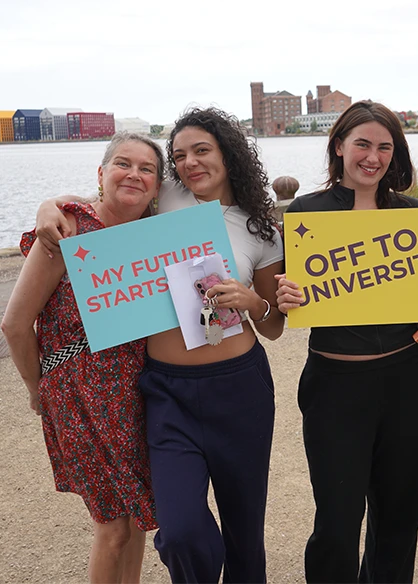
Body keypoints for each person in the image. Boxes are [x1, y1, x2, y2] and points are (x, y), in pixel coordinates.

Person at [35, 108, 285, 583]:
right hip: (166, 390)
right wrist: (52, 204)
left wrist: (253, 301)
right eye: (179, 155)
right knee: (180, 530)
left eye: (202, 151)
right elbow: (108, 196)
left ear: (228, 155)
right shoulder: (164, 197)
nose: (190, 163)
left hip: (239, 388)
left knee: (244, 529)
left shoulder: (261, 230)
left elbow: (273, 326)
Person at [275, 101, 418, 583]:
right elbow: (287, 301)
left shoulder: (414, 215)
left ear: (394, 153)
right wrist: (286, 294)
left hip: (408, 379)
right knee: (335, 523)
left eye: (383, 146)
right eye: (362, 144)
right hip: (334, 384)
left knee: (399, 517)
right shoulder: (308, 211)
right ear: (339, 146)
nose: (372, 156)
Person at [1, 131, 164, 583]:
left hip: (136, 392)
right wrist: (38, 392)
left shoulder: (153, 236)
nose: (134, 174)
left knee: (136, 520)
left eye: (147, 168)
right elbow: (15, 324)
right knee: (113, 526)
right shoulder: (70, 227)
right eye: (123, 164)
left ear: (157, 185)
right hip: (80, 397)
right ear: (101, 173)